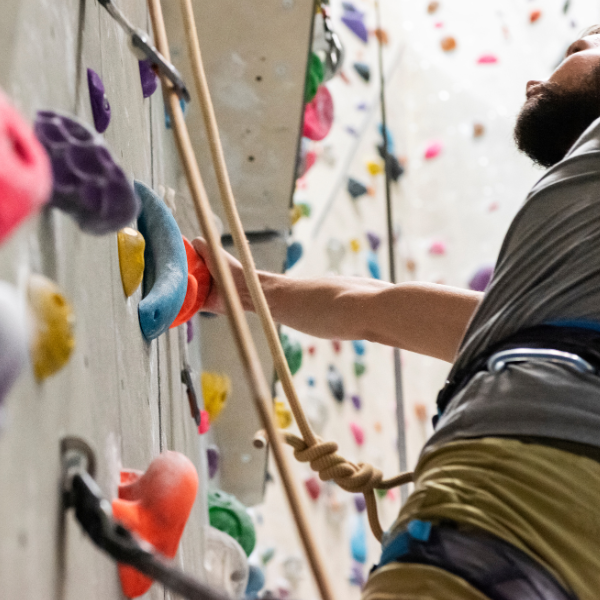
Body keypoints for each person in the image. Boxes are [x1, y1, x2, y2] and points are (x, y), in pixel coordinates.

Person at [193, 26, 600, 600]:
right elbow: (372, 309)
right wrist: (251, 289)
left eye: (578, 49)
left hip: (500, 510)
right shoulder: (548, 300)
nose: (537, 77)